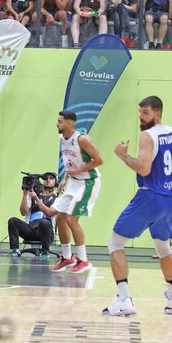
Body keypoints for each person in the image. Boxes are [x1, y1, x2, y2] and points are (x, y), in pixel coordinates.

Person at [102, 96, 172, 316]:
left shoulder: (147, 136)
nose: (141, 116)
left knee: (115, 243)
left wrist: (123, 155)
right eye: (140, 112)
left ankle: (124, 300)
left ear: (158, 113)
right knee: (163, 247)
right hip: (170, 200)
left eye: (145, 112)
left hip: (150, 196)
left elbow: (144, 169)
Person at [51, 110, 102, 274]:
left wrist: (78, 171)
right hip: (73, 181)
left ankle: (84, 260)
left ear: (69, 123)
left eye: (60, 121)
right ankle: (68, 258)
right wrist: (65, 179)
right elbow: (70, 162)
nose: (56, 124)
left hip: (88, 181)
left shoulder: (82, 139)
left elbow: (99, 160)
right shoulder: (62, 138)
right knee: (60, 217)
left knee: (72, 219)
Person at [7, 171, 58, 258]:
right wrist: (25, 195)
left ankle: (45, 251)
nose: (48, 180)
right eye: (46, 178)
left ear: (56, 183)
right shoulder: (31, 195)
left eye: (51, 178)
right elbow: (23, 212)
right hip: (30, 230)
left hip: (45, 232)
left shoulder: (57, 199)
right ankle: (15, 250)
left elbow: (49, 212)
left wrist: (36, 199)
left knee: (44, 222)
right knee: (13, 221)